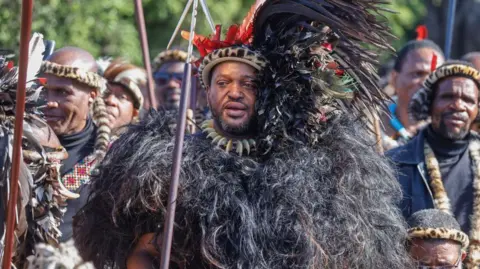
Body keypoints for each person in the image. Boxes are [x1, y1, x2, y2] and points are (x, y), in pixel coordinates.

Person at [74, 1, 411, 268]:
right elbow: (145, 252)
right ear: (207, 92)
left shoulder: (308, 165)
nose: (234, 92)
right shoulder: (172, 164)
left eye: (248, 84)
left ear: (265, 92)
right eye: (223, 83)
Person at [388, 61, 480, 267]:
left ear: (477, 108)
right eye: (448, 97)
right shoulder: (393, 165)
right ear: (429, 103)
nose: (458, 105)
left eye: (468, 99)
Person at [41, 46, 111, 242]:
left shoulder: (114, 157)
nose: (50, 102)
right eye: (45, 91)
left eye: (62, 92)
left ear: (92, 95)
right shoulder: (14, 146)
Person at [381, 39, 445, 150]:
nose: (427, 82)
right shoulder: (369, 124)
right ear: (394, 79)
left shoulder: (449, 130)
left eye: (435, 76)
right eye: (418, 74)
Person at [102, 59, 144, 136]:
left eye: (121, 97)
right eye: (106, 93)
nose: (110, 100)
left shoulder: (139, 147)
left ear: (134, 114)